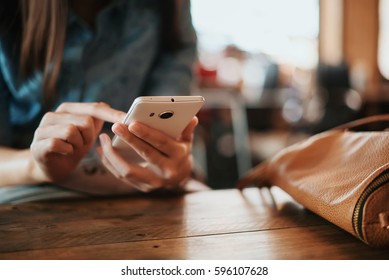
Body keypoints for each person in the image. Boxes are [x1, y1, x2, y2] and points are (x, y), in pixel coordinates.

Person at [0, 0, 201, 202]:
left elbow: (171, 142)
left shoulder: (170, 7)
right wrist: (37, 165)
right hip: (29, 194)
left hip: (143, 194)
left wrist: (178, 168)